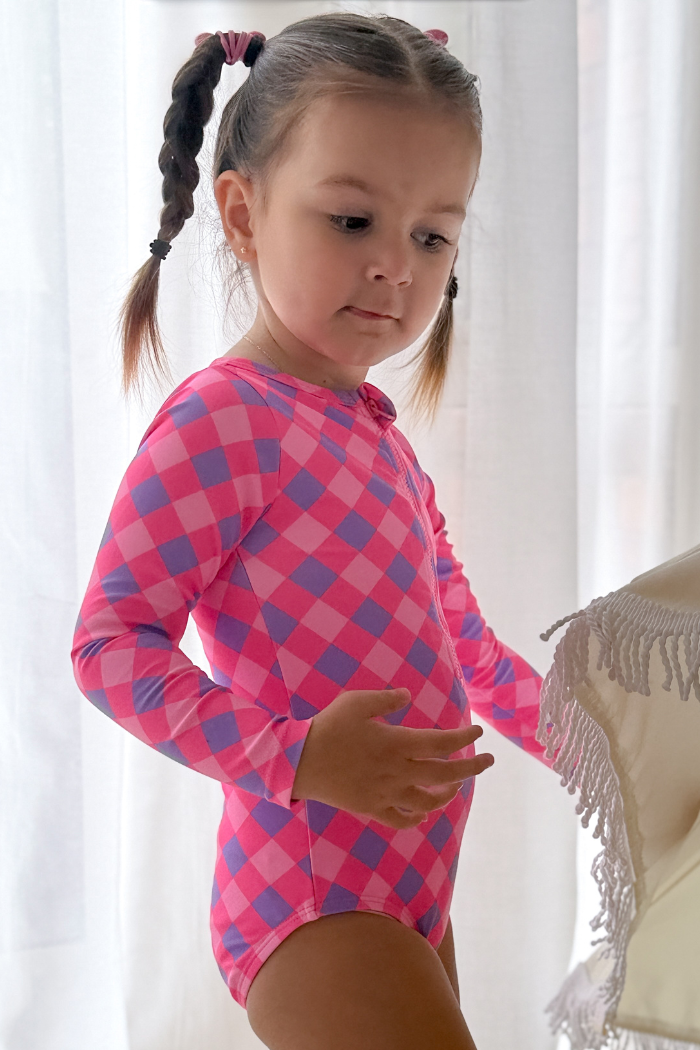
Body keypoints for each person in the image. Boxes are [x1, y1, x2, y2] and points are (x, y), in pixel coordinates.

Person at [71, 13, 561, 1050]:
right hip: (309, 889)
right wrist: (290, 756)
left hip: (413, 880)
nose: (395, 266)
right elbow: (110, 647)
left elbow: (465, 647)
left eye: (432, 235)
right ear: (243, 215)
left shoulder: (379, 443)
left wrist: (596, 741)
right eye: (351, 222)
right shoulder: (225, 420)